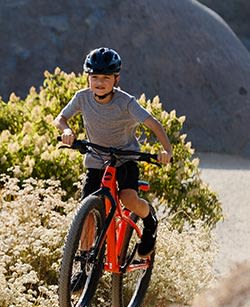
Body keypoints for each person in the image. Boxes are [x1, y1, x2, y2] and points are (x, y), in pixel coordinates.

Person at [54, 47, 173, 261]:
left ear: (116, 79)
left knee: (128, 199)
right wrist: (67, 130)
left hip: (125, 160)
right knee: (86, 211)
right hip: (97, 160)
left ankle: (149, 220)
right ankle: (83, 260)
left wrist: (166, 150)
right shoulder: (82, 98)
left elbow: (153, 124)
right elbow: (60, 118)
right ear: (88, 78)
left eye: (106, 78)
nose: (100, 82)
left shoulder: (126, 102)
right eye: (95, 77)